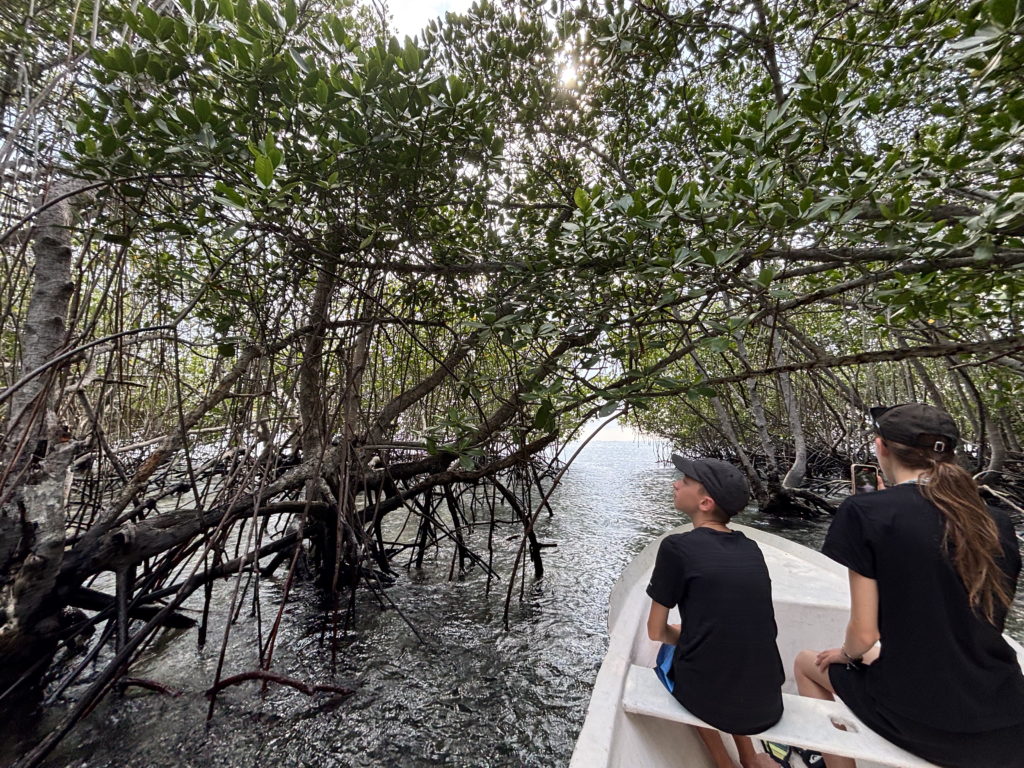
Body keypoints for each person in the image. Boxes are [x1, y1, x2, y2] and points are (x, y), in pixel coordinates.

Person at [794, 403, 1024, 768]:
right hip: (1006, 717)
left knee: (807, 663)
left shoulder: (865, 511)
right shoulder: (996, 521)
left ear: (880, 447)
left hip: (924, 720)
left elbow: (864, 635)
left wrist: (848, 655)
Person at [647, 455, 784, 768]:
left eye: (685, 482)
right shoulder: (751, 547)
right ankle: (750, 756)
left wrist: (683, 635)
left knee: (667, 654)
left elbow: (655, 631)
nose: (676, 484)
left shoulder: (675, 547)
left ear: (705, 503)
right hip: (767, 704)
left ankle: (724, 762)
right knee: (725, 652)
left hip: (712, 702)